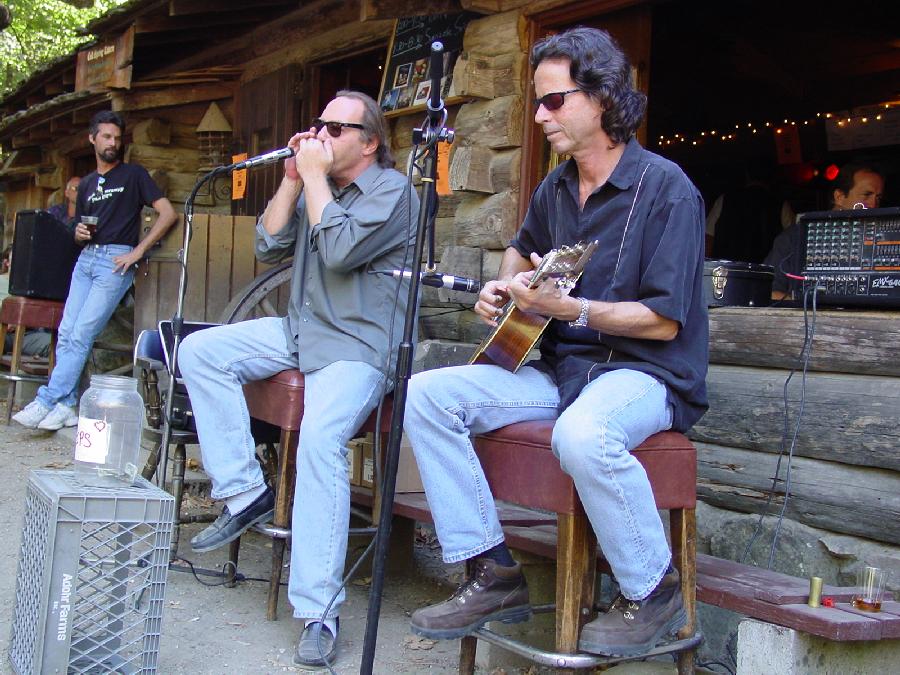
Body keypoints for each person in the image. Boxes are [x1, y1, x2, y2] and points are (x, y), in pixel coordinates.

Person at [403, 27, 708, 658]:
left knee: (583, 434)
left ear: (603, 97)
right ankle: (492, 572)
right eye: (536, 102)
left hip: (646, 375)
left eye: (553, 100)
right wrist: (505, 288)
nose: (540, 116)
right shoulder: (556, 186)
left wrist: (571, 308)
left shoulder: (668, 189)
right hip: (563, 371)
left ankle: (653, 590)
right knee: (428, 394)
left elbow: (664, 322)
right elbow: (520, 251)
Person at [177, 90, 418, 669]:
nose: (320, 136)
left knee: (319, 440)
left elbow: (338, 252)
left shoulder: (394, 192)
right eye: (318, 125)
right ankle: (246, 493)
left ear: (370, 142)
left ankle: (318, 611)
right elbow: (268, 245)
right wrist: (291, 180)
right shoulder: (316, 184)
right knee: (199, 350)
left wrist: (313, 179)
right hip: (301, 330)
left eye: (336, 129)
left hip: (358, 345)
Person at [12, 110, 176, 430]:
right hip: (86, 259)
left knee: (81, 333)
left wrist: (139, 251)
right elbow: (79, 230)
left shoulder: (134, 175)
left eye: (117, 138)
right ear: (92, 139)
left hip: (115, 261)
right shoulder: (86, 183)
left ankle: (47, 400)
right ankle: (67, 406)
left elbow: (168, 213)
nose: (113, 143)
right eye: (106, 137)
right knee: (66, 333)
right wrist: (78, 233)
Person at [764, 162, 885, 300]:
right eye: (866, 195)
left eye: (878, 198)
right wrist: (810, 306)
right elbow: (769, 291)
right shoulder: (793, 238)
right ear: (839, 197)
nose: (873, 204)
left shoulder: (879, 239)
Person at [0, 246, 51, 358]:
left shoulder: (34, 287)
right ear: (7, 262)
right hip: (3, 332)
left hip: (27, 335)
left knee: (54, 344)